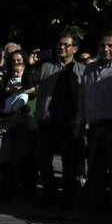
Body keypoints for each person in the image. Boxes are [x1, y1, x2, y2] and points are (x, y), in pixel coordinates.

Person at [77, 31, 112, 213]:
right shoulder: (90, 70)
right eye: (103, 45)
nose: (106, 49)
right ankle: (97, 207)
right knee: (95, 170)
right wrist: (80, 123)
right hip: (94, 127)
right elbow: (83, 99)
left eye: (110, 45)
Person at [31, 30, 86, 208]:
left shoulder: (82, 70)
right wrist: (32, 66)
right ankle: (49, 193)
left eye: (66, 45)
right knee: (43, 158)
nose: (62, 47)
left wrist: (79, 120)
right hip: (48, 118)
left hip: (69, 120)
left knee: (69, 162)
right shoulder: (46, 66)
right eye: (59, 44)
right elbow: (31, 84)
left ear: (74, 49)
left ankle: (67, 197)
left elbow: (83, 97)